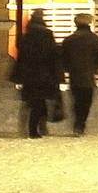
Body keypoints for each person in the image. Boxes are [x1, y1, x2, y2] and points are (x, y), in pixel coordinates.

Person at [14, 10, 62, 139]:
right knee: (40, 103)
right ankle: (35, 130)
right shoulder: (47, 35)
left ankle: (26, 129)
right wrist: (57, 75)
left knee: (30, 102)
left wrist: (18, 75)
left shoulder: (26, 35)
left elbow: (21, 58)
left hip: (29, 75)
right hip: (43, 75)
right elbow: (53, 56)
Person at [60, 13, 98, 136]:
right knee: (85, 101)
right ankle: (81, 124)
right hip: (88, 77)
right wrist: (94, 68)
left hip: (74, 76)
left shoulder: (69, 39)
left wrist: (68, 68)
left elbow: (63, 57)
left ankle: (77, 124)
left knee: (76, 101)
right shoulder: (94, 39)